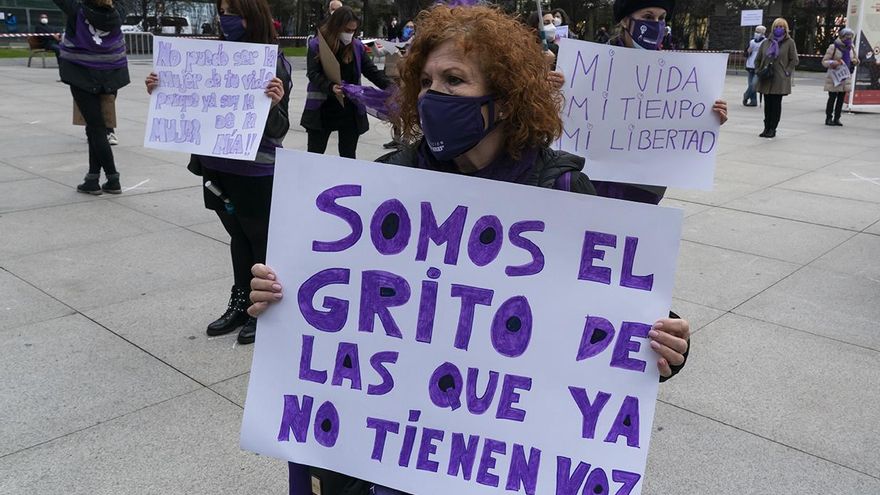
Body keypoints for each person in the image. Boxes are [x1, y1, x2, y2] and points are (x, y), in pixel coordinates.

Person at [248, 6, 692, 494]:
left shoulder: (562, 189)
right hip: (390, 462)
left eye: (454, 80)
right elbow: (337, 306)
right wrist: (279, 296)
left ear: (503, 100)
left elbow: (616, 317)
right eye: (428, 80)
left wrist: (666, 341)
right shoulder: (390, 183)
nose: (435, 95)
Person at [145, 0, 290, 345]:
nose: (225, 19)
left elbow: (278, 129)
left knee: (260, 240)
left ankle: (262, 308)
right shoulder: (213, 57)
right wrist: (161, 89)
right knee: (237, 235)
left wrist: (274, 103)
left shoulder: (273, 62)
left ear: (251, 16)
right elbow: (193, 104)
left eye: (233, 12)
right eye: (222, 11)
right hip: (215, 166)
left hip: (255, 170)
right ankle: (239, 303)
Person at [596, 0, 727, 203]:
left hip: (645, 183)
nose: (656, 24)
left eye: (661, 18)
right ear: (624, 20)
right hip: (595, 177)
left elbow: (681, 119)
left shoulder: (675, 73)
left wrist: (710, 116)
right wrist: (559, 87)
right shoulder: (593, 62)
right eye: (648, 17)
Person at [52, 0, 129, 194]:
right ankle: (92, 178)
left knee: (96, 129)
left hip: (82, 75)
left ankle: (113, 178)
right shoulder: (118, 12)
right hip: (111, 74)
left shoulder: (76, 9)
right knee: (96, 128)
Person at [301, 6, 392, 159]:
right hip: (323, 108)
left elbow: (371, 71)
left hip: (350, 109)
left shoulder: (356, 46)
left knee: (348, 155)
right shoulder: (317, 45)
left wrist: (391, 88)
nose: (349, 34)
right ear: (336, 26)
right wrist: (330, 87)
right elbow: (313, 73)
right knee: (315, 156)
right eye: (347, 30)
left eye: (353, 31)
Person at [755, 18, 798, 138]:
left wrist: (787, 71)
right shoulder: (766, 42)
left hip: (779, 79)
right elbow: (758, 59)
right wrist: (758, 70)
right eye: (776, 26)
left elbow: (794, 59)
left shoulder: (789, 42)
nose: (778, 29)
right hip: (766, 77)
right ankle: (766, 127)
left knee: (775, 104)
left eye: (781, 27)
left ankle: (773, 128)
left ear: (785, 29)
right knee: (767, 105)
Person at [822, 27, 859, 126]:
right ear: (842, 37)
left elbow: (856, 59)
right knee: (832, 97)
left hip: (845, 76)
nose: (849, 39)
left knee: (841, 99)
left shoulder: (851, 47)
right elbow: (824, 61)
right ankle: (828, 117)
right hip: (835, 76)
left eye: (850, 37)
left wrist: (854, 61)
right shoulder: (833, 47)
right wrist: (834, 62)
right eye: (847, 37)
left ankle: (837, 118)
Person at [743, 25, 765, 107]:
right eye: (756, 31)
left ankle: (746, 95)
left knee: (754, 84)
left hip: (758, 67)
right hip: (750, 65)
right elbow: (745, 53)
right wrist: (748, 52)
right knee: (750, 84)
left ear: (763, 33)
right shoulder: (751, 42)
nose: (757, 33)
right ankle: (753, 101)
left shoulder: (765, 42)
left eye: (759, 32)